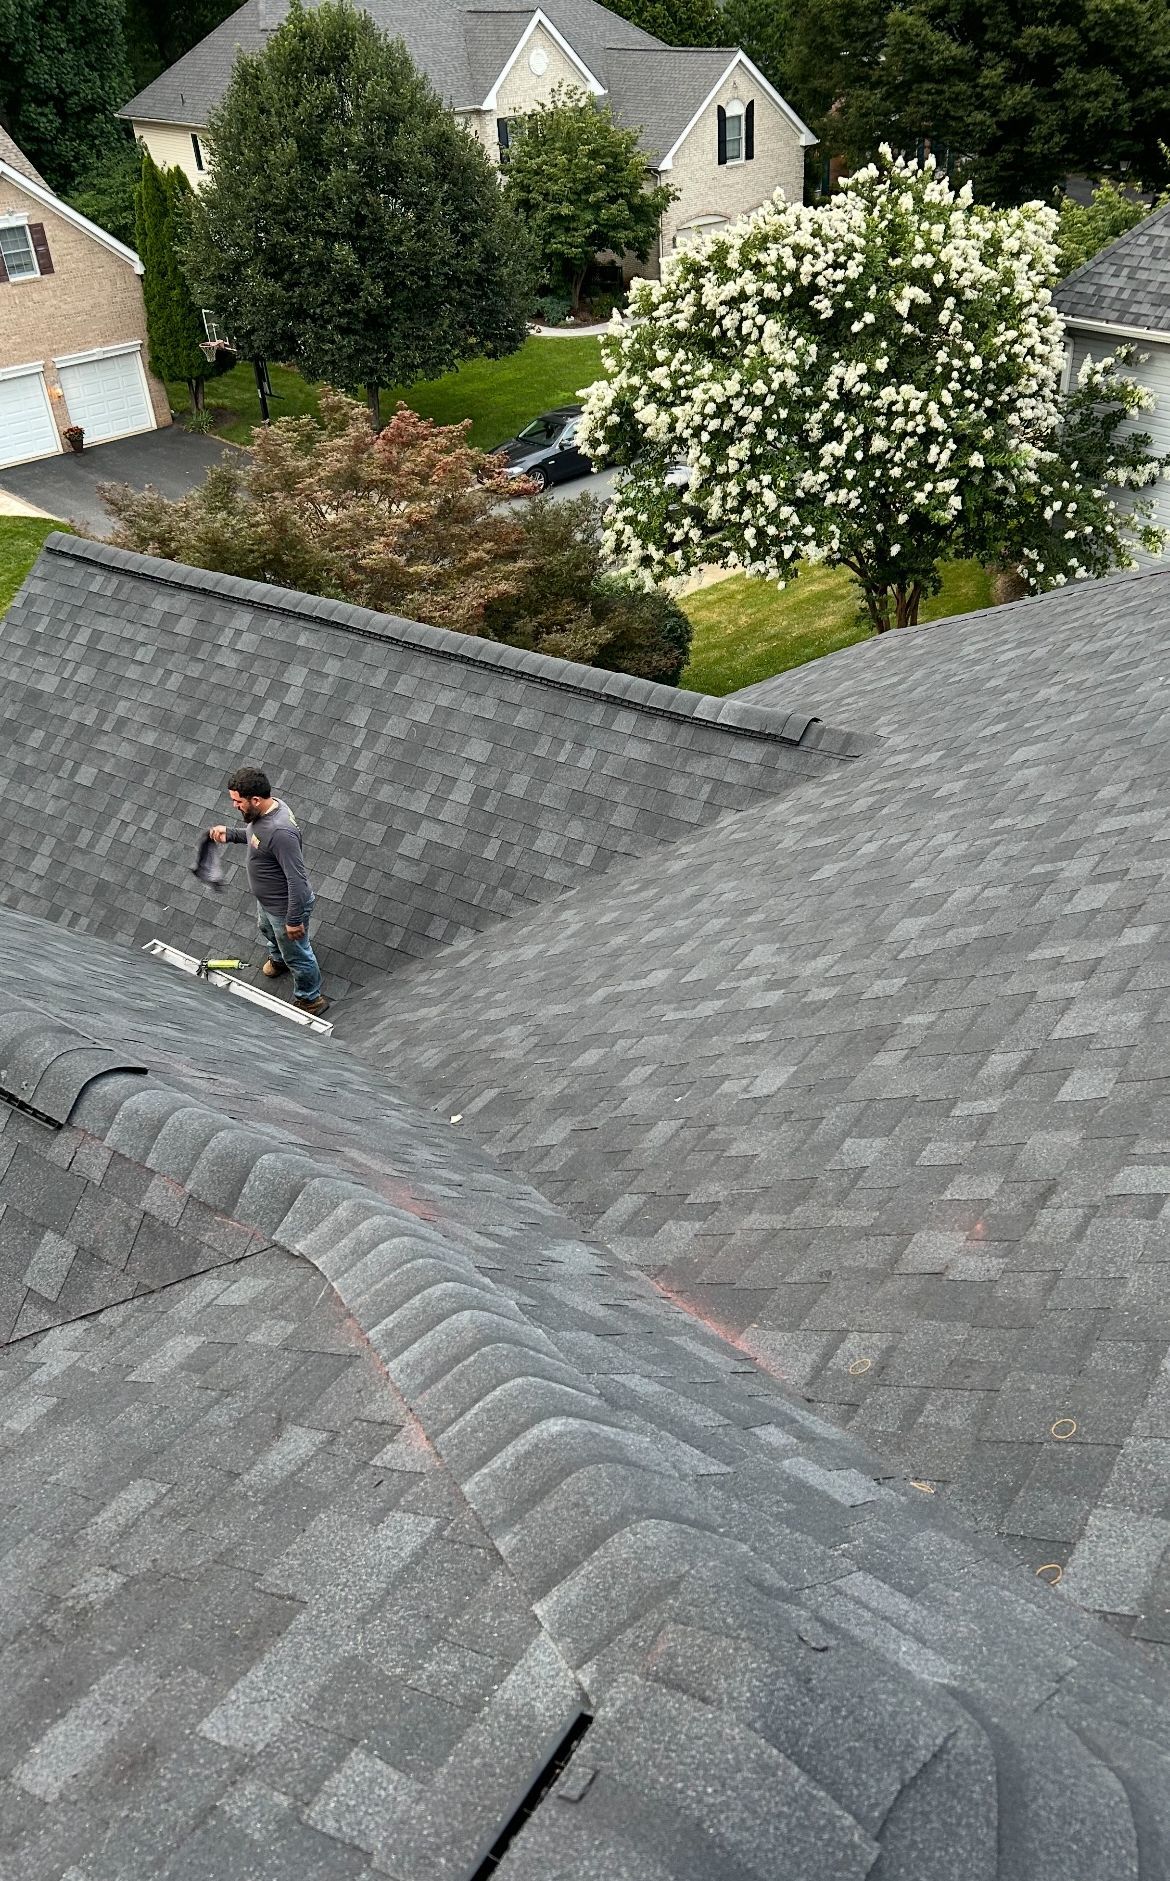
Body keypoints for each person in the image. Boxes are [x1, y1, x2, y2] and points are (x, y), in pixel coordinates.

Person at [208, 766, 330, 1016]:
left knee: (298, 954)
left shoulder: (281, 832)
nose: (234, 806)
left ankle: (310, 999)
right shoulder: (264, 814)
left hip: (286, 907)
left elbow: (297, 880)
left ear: (255, 800)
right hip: (269, 902)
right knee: (265, 928)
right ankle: (279, 959)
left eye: (237, 801)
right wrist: (231, 834)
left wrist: (294, 920)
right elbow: (258, 838)